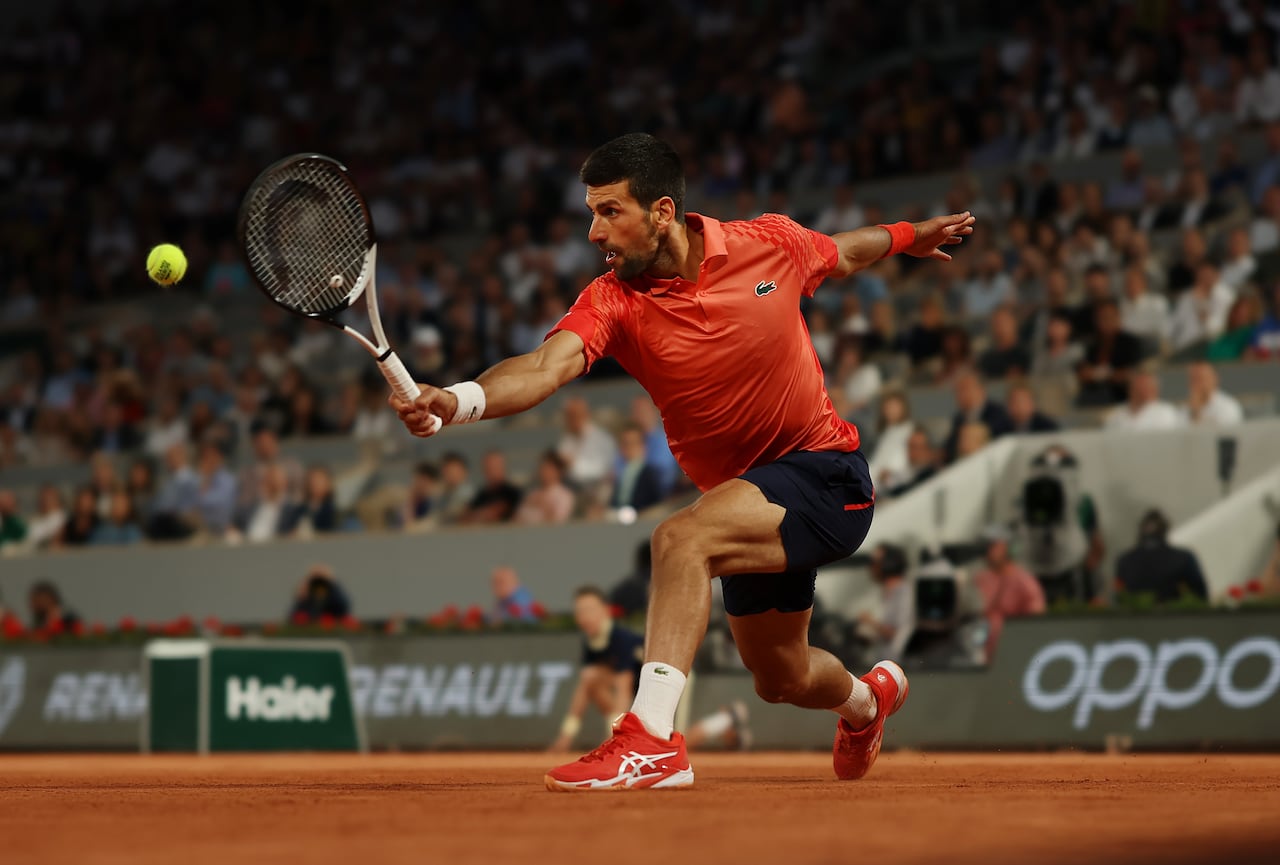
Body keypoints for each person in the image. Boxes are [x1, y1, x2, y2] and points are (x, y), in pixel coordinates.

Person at [392, 133, 974, 789]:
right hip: (747, 499)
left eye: (610, 211)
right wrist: (458, 400)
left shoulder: (769, 243)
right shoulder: (614, 298)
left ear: (662, 211)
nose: (593, 231)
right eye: (591, 211)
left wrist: (910, 234)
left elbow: (844, 251)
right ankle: (867, 703)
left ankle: (651, 740)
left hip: (825, 473)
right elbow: (545, 366)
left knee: (679, 538)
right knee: (780, 677)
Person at [550, 586, 752, 754]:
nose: (586, 616)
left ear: (605, 610)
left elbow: (623, 688)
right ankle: (730, 726)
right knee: (590, 677)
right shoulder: (591, 643)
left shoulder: (620, 638)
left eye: (590, 609)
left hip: (669, 677)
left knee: (669, 747)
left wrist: (614, 741)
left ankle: (727, 718)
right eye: (581, 611)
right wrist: (567, 734)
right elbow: (588, 686)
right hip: (643, 690)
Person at [972, 527, 1046, 662]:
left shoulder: (1024, 582)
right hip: (980, 652)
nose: (988, 550)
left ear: (1008, 548)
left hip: (1012, 655)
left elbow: (1036, 621)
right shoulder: (979, 580)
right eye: (985, 546)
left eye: (993, 545)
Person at [1115, 510, 1208, 604]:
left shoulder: (1125, 561)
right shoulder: (1183, 558)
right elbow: (1201, 596)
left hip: (1134, 617)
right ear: (1165, 530)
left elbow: (1119, 598)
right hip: (1175, 617)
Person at [857, 543, 914, 664]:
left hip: (898, 665)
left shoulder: (904, 593)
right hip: (880, 663)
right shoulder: (880, 593)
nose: (871, 567)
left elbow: (896, 633)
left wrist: (870, 622)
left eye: (875, 562)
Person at [1104, 371, 1183, 432]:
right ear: (1130, 390)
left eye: (1145, 387)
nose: (1141, 391)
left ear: (1154, 390)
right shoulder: (1117, 414)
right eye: (1137, 387)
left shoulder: (1166, 412)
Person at [514, 450, 576, 525]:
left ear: (558, 471)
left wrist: (544, 507)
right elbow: (517, 519)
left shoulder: (565, 496)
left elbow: (558, 522)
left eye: (548, 467)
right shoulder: (532, 494)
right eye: (542, 467)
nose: (543, 471)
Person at [1181, 361, 1244, 427]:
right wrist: (1194, 413)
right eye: (1193, 379)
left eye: (1200, 379)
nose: (1196, 384)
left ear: (1214, 379)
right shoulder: (1185, 410)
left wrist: (1197, 415)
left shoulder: (1228, 406)